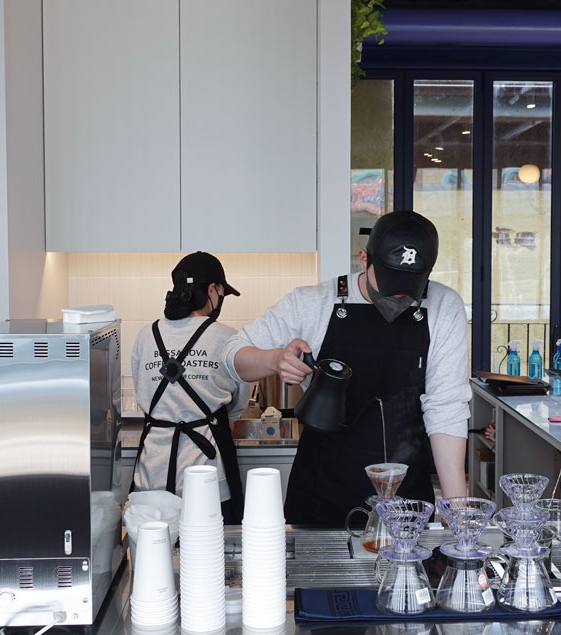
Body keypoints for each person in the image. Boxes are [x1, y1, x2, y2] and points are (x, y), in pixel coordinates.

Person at [220, 210, 471, 526]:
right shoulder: (313, 303)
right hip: (321, 493)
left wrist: (457, 511)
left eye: (410, 287)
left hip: (405, 504)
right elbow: (231, 357)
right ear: (364, 259)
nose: (399, 295)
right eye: (391, 282)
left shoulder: (444, 307)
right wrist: (275, 359)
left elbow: (446, 408)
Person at [130, 252, 249, 524]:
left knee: (154, 548)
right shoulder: (228, 337)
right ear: (212, 290)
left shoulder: (146, 335)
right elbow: (239, 401)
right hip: (206, 478)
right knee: (209, 548)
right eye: (222, 293)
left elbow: (141, 391)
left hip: (151, 474)